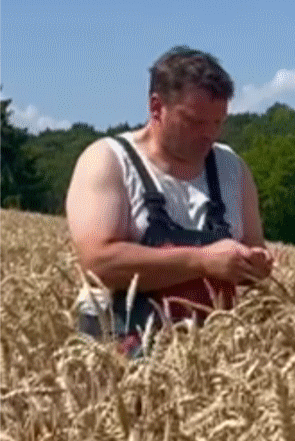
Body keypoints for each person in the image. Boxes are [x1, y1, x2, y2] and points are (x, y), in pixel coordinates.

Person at [65, 46, 274, 357]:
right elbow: (99, 262)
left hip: (212, 361)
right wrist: (203, 262)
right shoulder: (109, 161)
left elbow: (254, 250)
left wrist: (255, 264)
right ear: (156, 107)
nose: (209, 135)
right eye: (195, 122)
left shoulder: (233, 169)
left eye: (218, 123)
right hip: (119, 360)